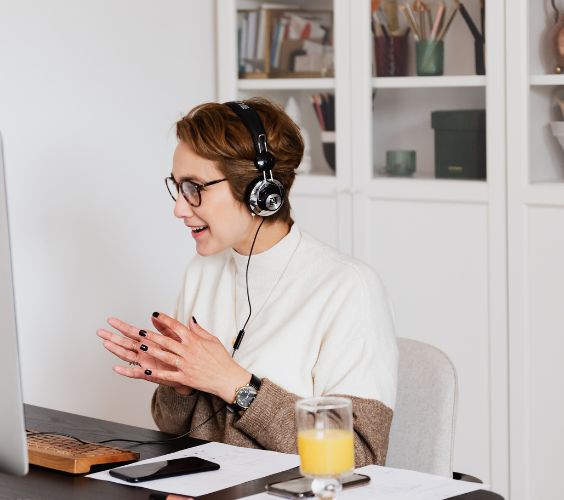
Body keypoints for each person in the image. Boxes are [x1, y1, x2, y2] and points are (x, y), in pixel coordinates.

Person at [96, 98, 398, 466]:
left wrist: (235, 384)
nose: (179, 207)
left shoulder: (347, 288)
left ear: (259, 191)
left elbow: (360, 456)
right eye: (177, 187)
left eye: (194, 188)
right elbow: (171, 428)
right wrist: (181, 386)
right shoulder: (201, 272)